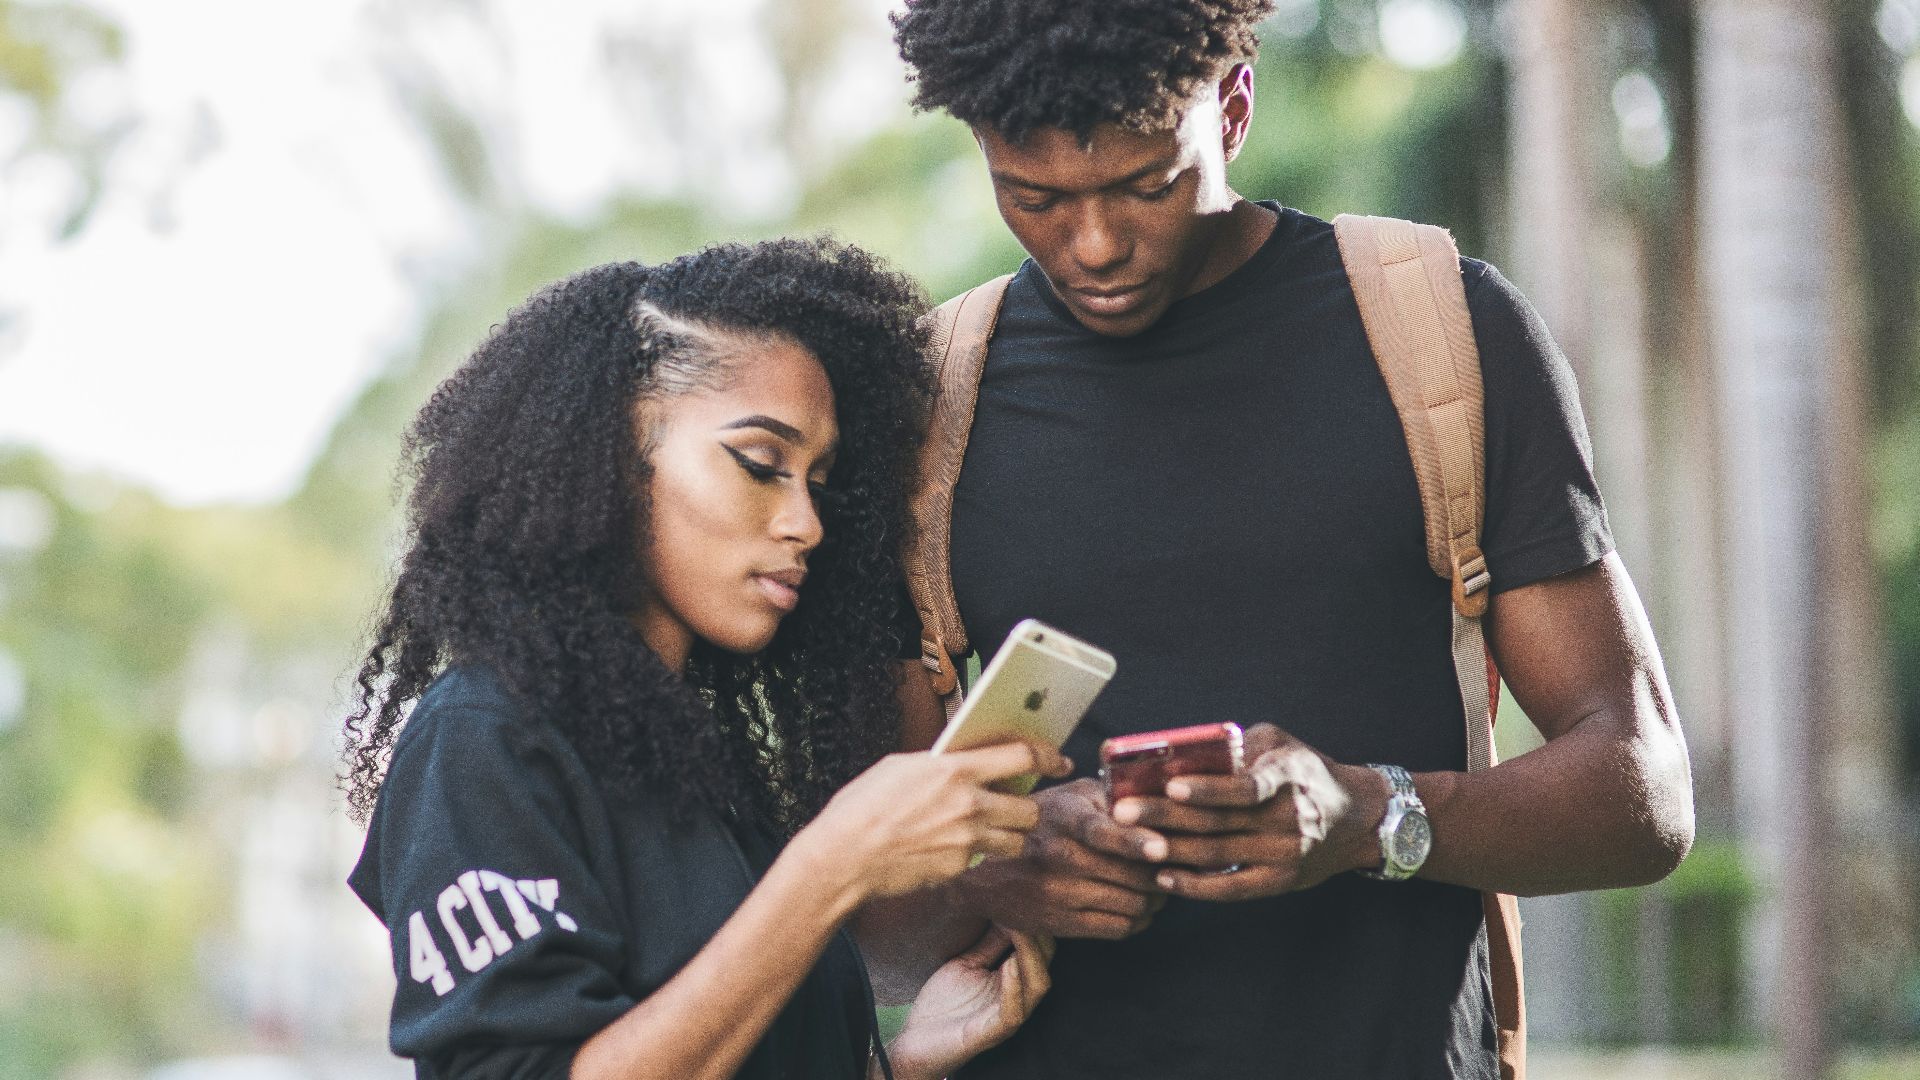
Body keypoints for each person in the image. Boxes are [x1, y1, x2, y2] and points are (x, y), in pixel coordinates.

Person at [861, 2, 1698, 1077]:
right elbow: (867, 905)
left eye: (1146, 183)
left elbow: (1644, 793)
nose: (1097, 244)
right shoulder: (932, 411)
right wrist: (993, 865)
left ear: (1235, 108)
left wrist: (1373, 814)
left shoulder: (1441, 332)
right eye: (1035, 197)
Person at [342, 239, 1073, 1080]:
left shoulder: (694, 757)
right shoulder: (482, 741)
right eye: (761, 465)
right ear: (613, 459)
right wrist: (831, 865)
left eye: (818, 479)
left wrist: (899, 1063)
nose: (806, 522)